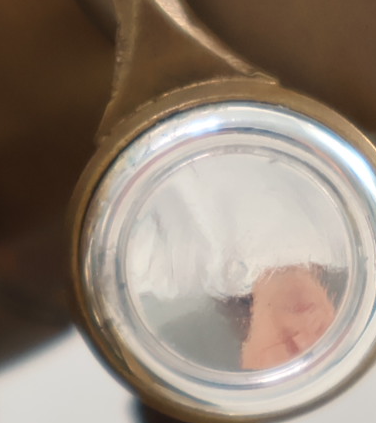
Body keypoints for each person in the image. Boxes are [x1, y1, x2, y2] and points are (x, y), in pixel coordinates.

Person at [122, 156, 344, 373]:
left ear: (247, 357)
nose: (304, 340)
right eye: (323, 352)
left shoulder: (177, 269)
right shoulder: (348, 227)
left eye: (290, 353)